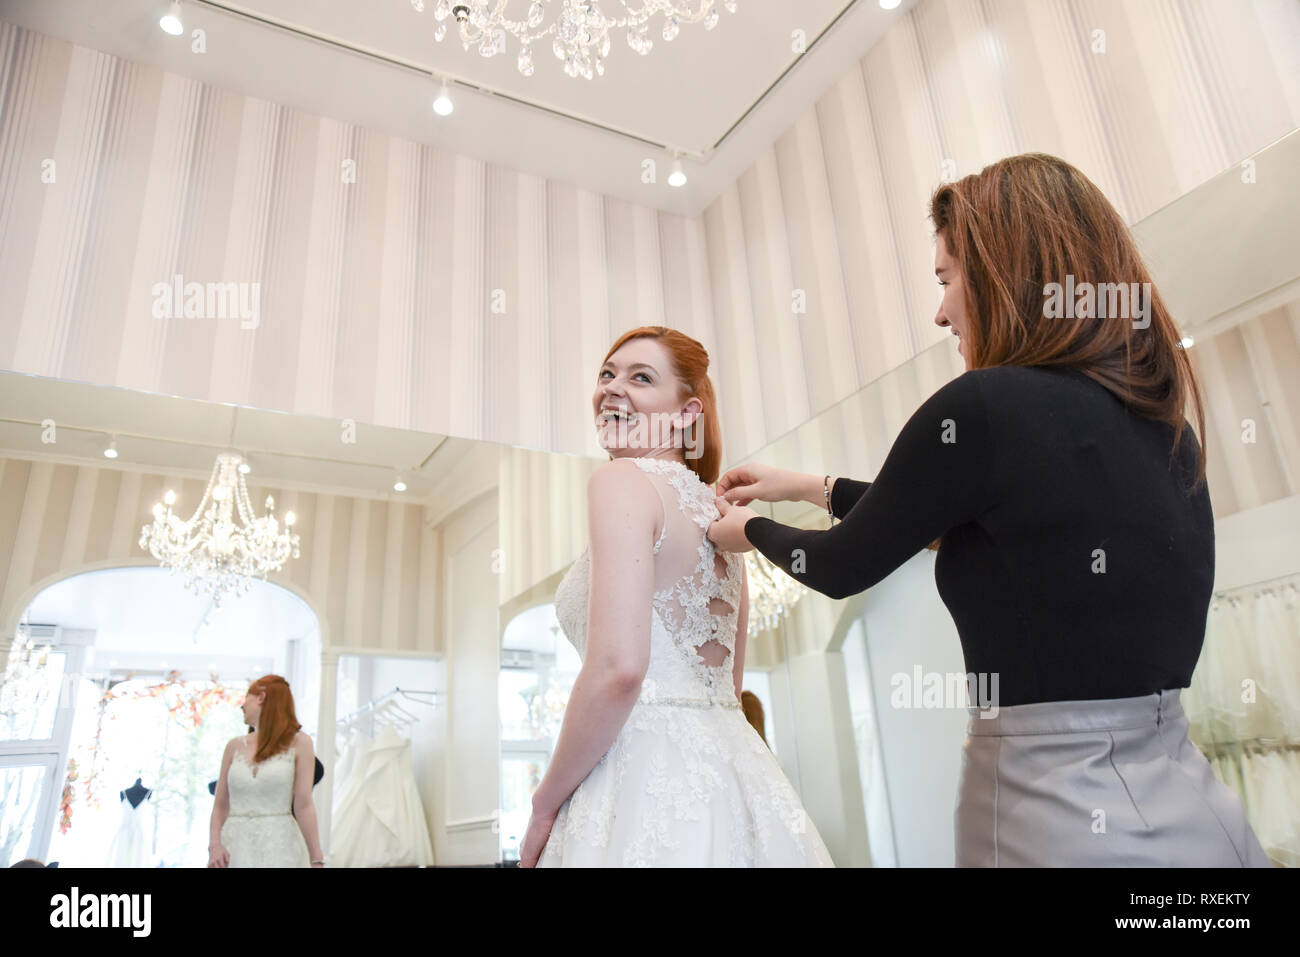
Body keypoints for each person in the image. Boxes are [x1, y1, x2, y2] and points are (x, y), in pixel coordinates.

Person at [706, 152, 1273, 868]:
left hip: (1050, 803)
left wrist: (746, 531)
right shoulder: (1168, 429)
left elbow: (842, 564)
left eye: (947, 278)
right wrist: (810, 486)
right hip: (1194, 805)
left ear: (1007, 271)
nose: (940, 311)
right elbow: (967, 519)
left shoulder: (984, 406)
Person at [519, 327, 833, 867]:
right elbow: (727, 690)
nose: (612, 388)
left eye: (640, 377)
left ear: (687, 414)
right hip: (738, 778)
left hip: (638, 775)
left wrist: (545, 803)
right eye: (606, 374)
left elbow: (619, 668)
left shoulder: (621, 481)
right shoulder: (717, 512)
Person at [208, 674, 324, 868]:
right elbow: (220, 805)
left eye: (247, 698)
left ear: (261, 698)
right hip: (233, 848)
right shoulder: (233, 746)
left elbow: (303, 804)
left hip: (280, 847)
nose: (242, 706)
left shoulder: (301, 743)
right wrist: (214, 845)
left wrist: (316, 859)